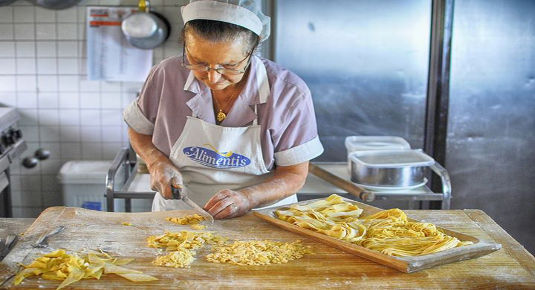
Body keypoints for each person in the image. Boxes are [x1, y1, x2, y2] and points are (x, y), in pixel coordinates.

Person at [123, 0, 323, 219]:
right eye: (198, 62)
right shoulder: (165, 75)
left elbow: (294, 175)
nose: (212, 77)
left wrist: (248, 198)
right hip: (180, 215)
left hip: (261, 218)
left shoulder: (288, 92)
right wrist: (155, 161)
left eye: (229, 66)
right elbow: (139, 129)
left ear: (253, 49)